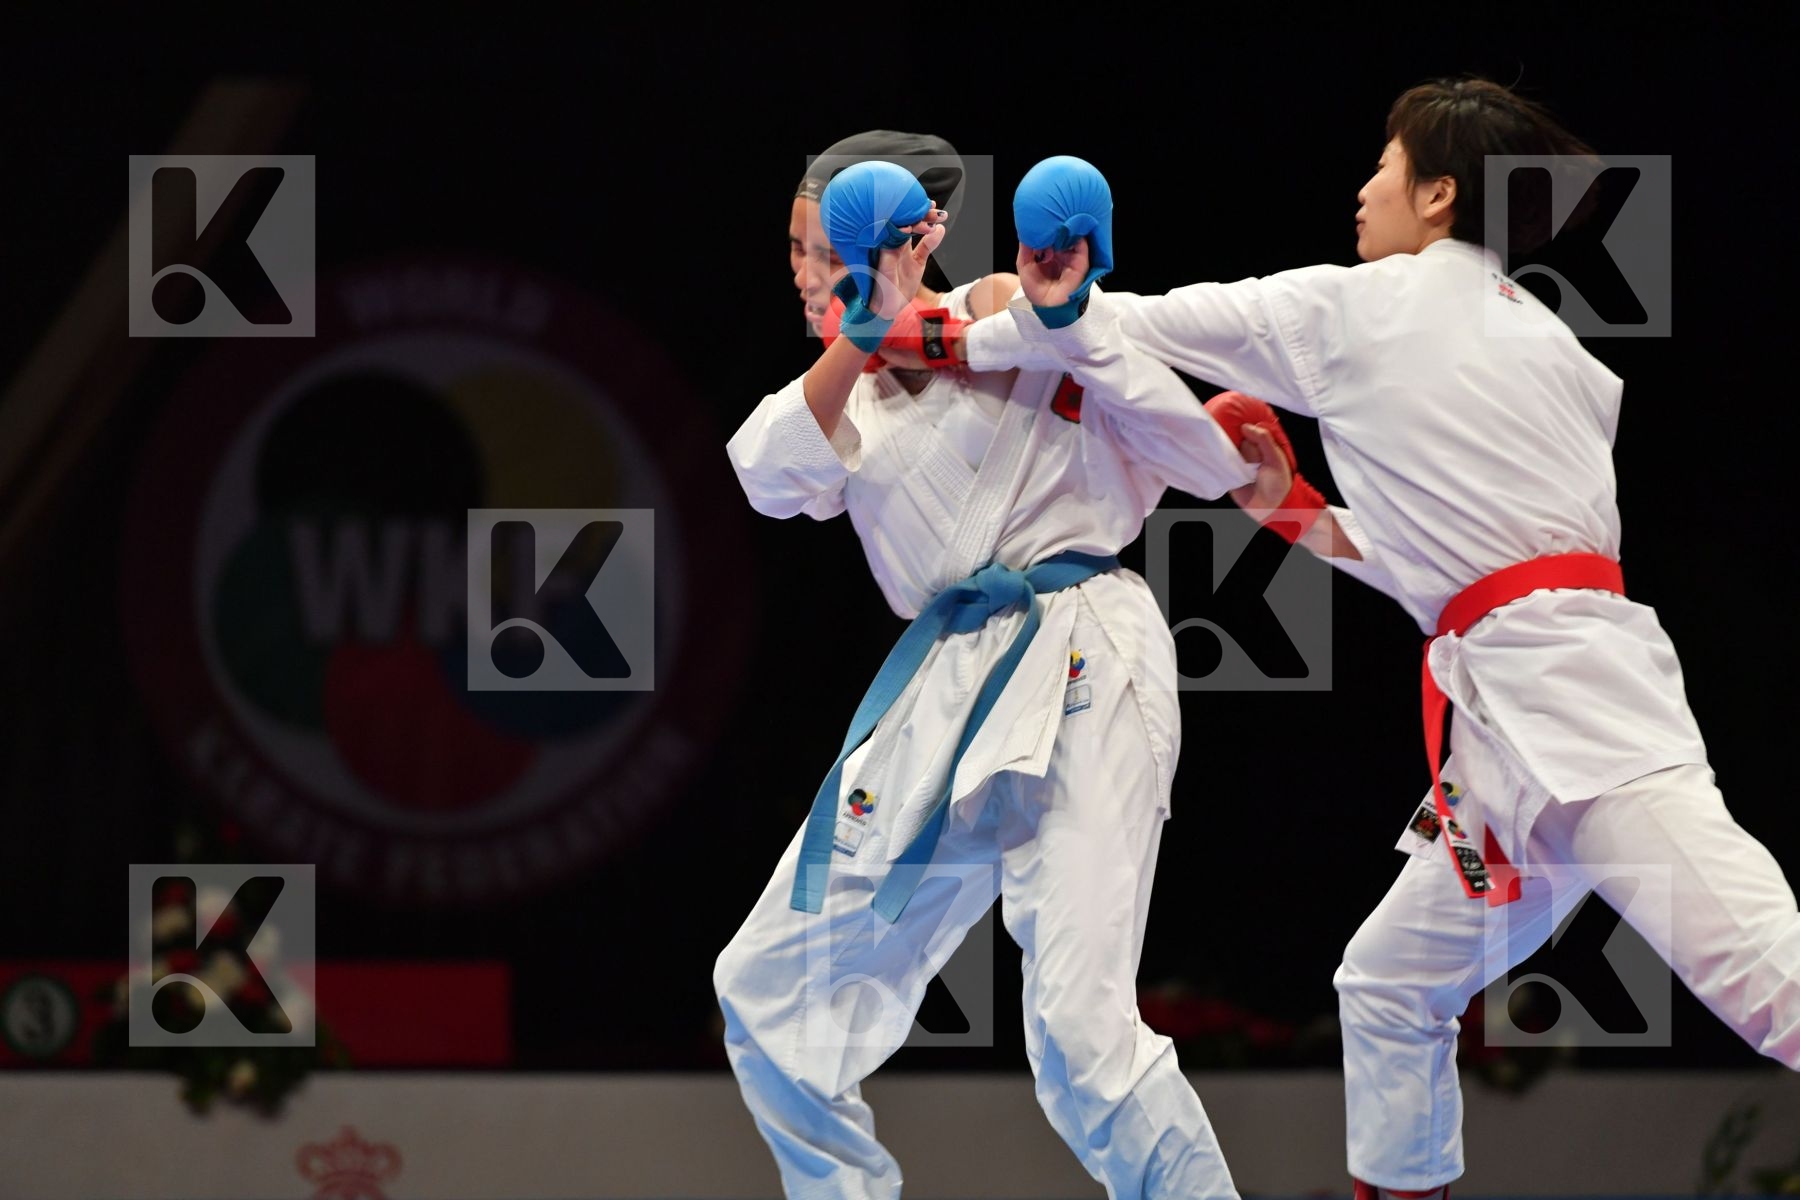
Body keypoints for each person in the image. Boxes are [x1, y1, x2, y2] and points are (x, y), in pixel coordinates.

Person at [1008, 79, 1800, 1199]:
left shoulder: (1362, 308)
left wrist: (1004, 303)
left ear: (1437, 194)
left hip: (1588, 716)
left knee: (1777, 988)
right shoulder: (1555, 350)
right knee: (1387, 983)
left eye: (1384, 165)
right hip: (1502, 723)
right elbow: (1461, 571)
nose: (1362, 187)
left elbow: (1119, 322)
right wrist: (1292, 512)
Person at [713, 134, 1254, 1198]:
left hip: (1084, 645)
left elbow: (1197, 456)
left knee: (1079, 1037)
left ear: (915, 237)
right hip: (946, 691)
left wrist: (1054, 322)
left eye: (820, 245)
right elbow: (763, 475)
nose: (800, 267)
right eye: (793, 248)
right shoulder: (847, 396)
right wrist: (863, 337)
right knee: (770, 988)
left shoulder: (1028, 316)